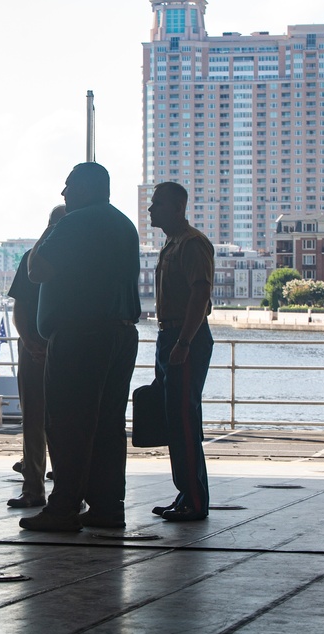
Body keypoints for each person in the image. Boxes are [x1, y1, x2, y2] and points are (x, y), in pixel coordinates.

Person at [20, 163, 141, 532]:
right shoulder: (124, 225)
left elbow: (36, 270)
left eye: (69, 185)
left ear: (87, 188)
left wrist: (48, 231)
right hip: (120, 335)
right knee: (107, 424)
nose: (63, 193)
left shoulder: (74, 223)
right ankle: (108, 506)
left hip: (80, 335)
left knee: (68, 421)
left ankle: (64, 506)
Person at [148, 182, 214, 521]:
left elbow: (199, 295)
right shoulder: (171, 245)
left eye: (157, 204)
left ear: (177, 208)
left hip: (184, 336)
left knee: (185, 421)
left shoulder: (192, 244)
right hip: (169, 335)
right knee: (175, 419)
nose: (150, 209)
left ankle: (195, 500)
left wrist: (184, 343)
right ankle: (185, 493)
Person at [6, 205, 64, 509]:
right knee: (59, 420)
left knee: (35, 420)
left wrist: (28, 342)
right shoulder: (72, 260)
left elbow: (20, 306)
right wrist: (30, 342)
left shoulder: (33, 258)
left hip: (35, 348)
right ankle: (63, 491)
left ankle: (35, 490)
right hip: (56, 347)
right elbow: (22, 307)